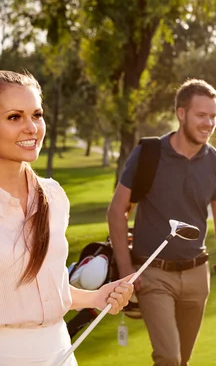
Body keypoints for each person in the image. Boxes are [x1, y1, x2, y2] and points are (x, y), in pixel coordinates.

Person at [0, 70, 134, 366]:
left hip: (60, 351)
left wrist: (97, 297)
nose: (31, 127)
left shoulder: (54, 196)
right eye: (14, 117)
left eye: (37, 115)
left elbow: (51, 286)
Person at [107, 78, 216, 366]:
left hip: (196, 276)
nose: (208, 123)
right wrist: (126, 270)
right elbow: (117, 211)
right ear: (181, 113)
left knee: (182, 361)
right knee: (168, 358)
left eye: (213, 116)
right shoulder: (150, 154)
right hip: (153, 274)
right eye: (201, 115)